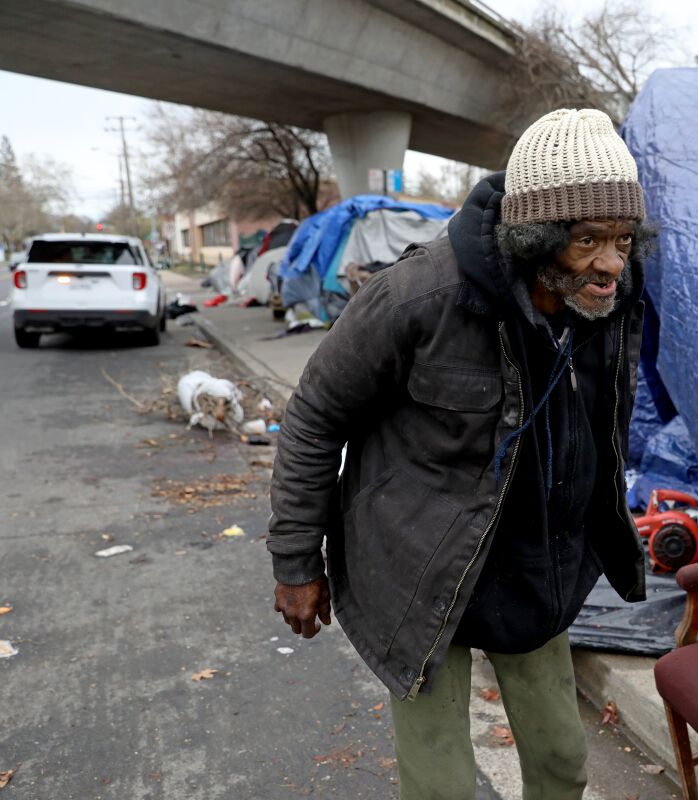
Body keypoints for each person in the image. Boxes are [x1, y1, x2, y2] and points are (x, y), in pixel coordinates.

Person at [268, 108, 655, 799]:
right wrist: (297, 559)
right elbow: (313, 418)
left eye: (623, 238)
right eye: (589, 238)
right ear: (536, 235)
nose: (611, 262)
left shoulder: (609, 299)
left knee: (564, 762)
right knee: (441, 787)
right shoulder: (421, 296)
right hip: (419, 572)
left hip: (537, 571)